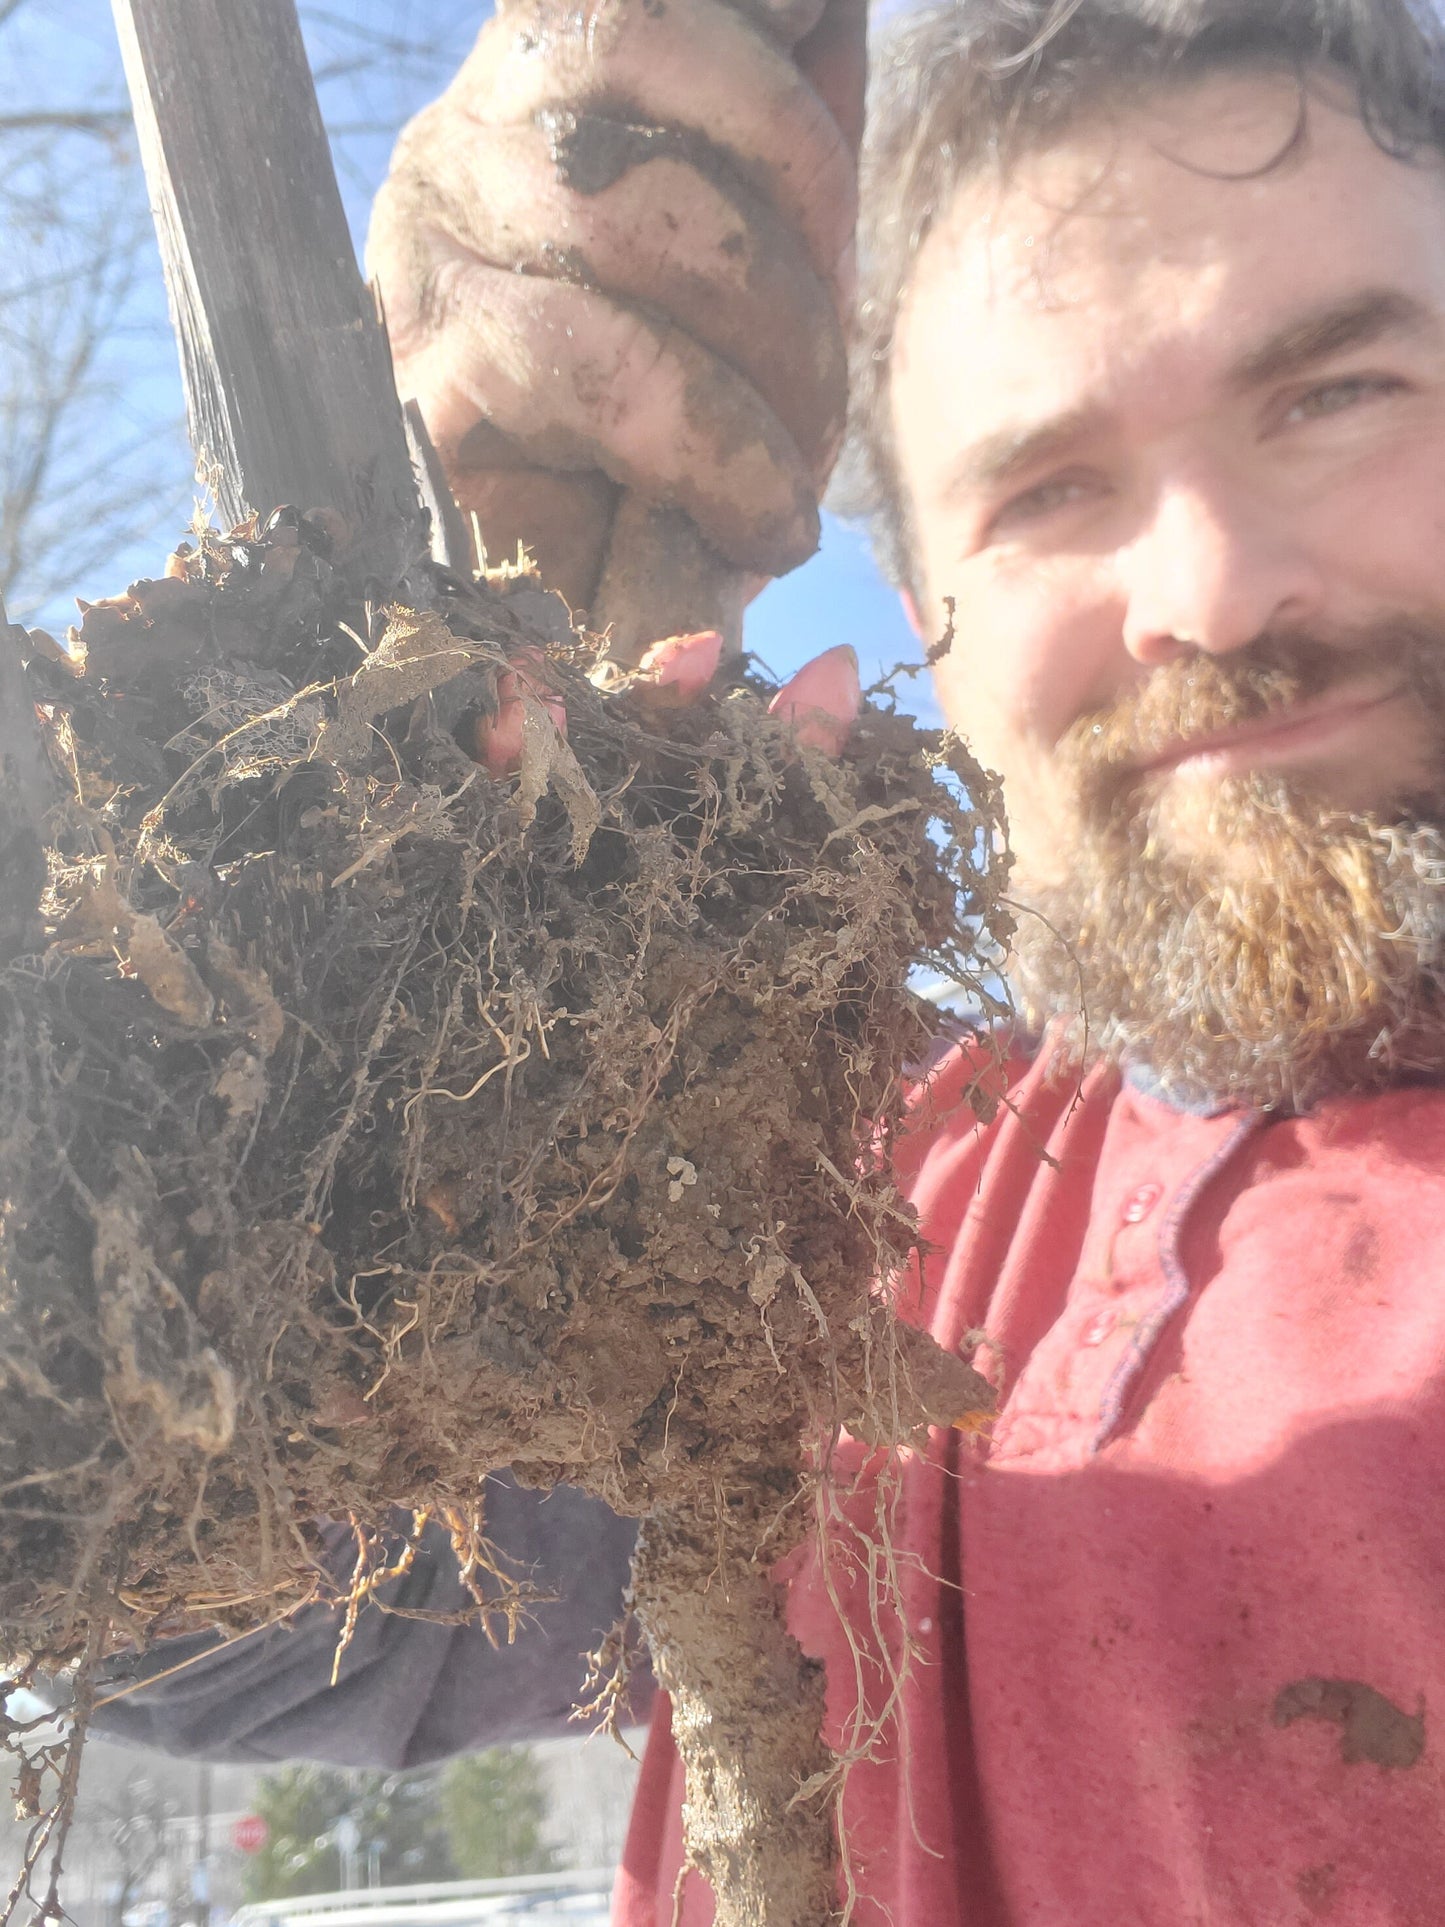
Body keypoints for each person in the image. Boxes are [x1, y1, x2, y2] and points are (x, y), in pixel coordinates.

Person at [91, 0, 1445, 1919]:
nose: (1207, 585)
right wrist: (318, 1007)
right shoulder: (832, 1208)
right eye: (1047, 489)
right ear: (925, 632)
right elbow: (209, 1611)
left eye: (1337, 392)